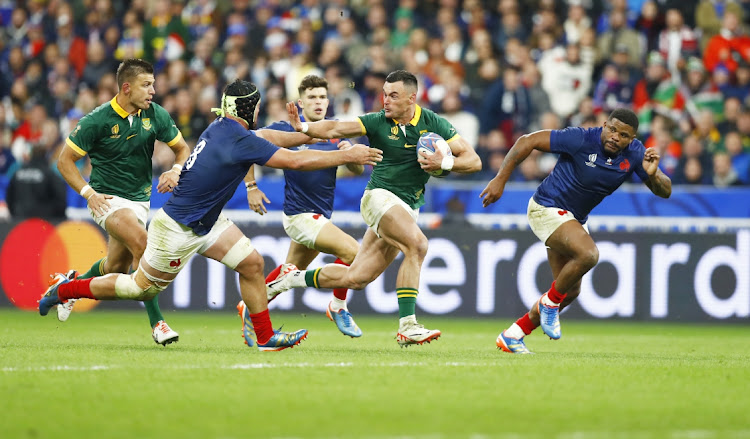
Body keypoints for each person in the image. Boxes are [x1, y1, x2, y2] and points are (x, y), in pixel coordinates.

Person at [38, 79, 383, 352]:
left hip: (207, 222)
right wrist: (345, 155)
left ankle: (264, 336)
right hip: (178, 228)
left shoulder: (227, 128)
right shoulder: (238, 138)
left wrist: (308, 132)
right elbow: (293, 160)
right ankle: (67, 290)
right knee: (137, 288)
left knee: (252, 264)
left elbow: (274, 136)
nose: (260, 110)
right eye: (258, 106)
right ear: (248, 108)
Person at [267, 70, 482, 347]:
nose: (386, 100)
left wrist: (446, 163)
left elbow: (474, 161)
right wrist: (304, 128)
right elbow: (336, 128)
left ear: (411, 98)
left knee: (356, 278)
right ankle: (408, 326)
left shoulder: (433, 123)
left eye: (393, 95)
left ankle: (290, 279)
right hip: (379, 198)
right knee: (417, 245)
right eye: (384, 94)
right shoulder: (378, 121)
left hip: (407, 206)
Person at [480, 108, 672, 354]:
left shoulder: (636, 153)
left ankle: (513, 335)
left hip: (574, 219)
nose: (616, 137)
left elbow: (665, 191)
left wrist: (654, 176)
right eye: (612, 129)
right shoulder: (580, 138)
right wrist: (500, 179)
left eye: (623, 135)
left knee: (569, 290)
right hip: (546, 207)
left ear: (632, 139)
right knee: (588, 254)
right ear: (604, 125)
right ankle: (549, 305)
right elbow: (527, 141)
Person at [55, 59, 191, 346]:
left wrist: (175, 170)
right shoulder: (97, 120)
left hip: (140, 201)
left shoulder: (156, 115)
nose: (153, 90)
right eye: (147, 85)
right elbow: (64, 161)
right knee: (143, 243)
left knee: (115, 267)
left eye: (153, 84)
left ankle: (70, 287)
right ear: (127, 88)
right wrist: (88, 194)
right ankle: (159, 324)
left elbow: (182, 149)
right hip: (107, 200)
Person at [239, 74, 365, 344]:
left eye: (322, 97)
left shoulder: (334, 131)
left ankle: (251, 308)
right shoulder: (286, 129)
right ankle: (338, 306)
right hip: (300, 216)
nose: (318, 102)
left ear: (328, 101)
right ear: (300, 103)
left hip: (319, 215)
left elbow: (356, 169)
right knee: (353, 251)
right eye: (312, 97)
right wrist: (251, 186)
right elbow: (246, 144)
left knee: (288, 271)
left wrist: (348, 151)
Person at [6, 144, 68, 220]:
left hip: (20, 222)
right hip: (44, 223)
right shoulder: (50, 175)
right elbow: (61, 201)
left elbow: (9, 198)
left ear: (31, 155)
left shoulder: (17, 174)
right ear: (46, 156)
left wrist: (15, 214)